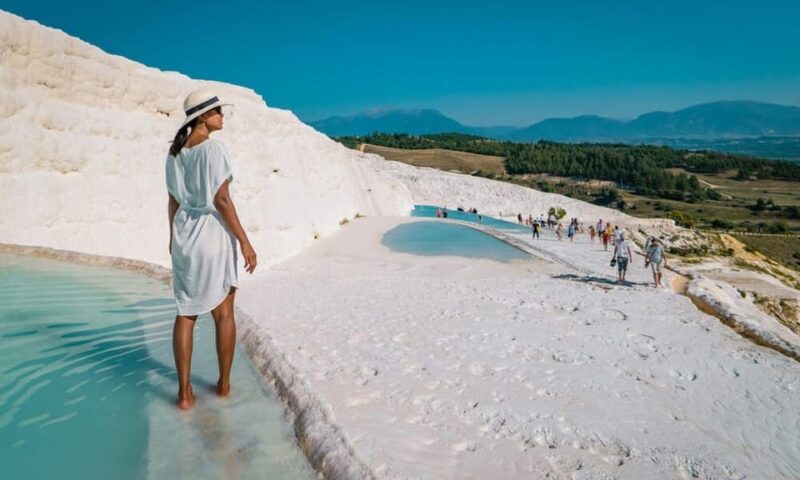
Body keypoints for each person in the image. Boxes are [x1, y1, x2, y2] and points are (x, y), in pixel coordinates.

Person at [166, 89, 258, 410]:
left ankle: (184, 393)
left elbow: (173, 200)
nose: (222, 116)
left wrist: (171, 239)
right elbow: (221, 200)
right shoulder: (214, 149)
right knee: (223, 313)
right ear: (203, 117)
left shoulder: (175, 154)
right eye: (217, 111)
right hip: (211, 234)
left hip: (184, 234)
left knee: (186, 312)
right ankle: (223, 386)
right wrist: (245, 241)